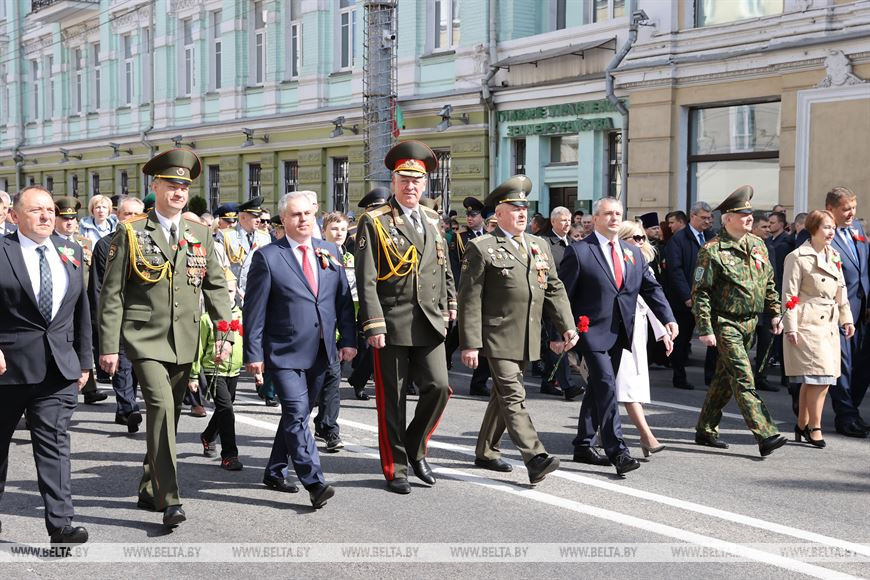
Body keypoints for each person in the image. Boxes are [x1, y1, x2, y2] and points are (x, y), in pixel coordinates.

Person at [99, 148, 234, 527]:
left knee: (169, 418)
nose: (178, 192)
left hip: (184, 339)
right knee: (159, 408)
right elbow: (112, 294)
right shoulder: (131, 232)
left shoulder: (200, 233)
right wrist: (108, 346)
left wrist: (224, 332)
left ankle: (148, 487)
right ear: (155, 186)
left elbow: (216, 286)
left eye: (184, 187)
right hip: (144, 338)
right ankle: (170, 499)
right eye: (171, 185)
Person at [459, 175, 577, 483]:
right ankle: (535, 457)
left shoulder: (539, 245)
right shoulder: (482, 247)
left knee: (502, 396)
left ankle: (486, 451)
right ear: (498, 214)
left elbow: (553, 288)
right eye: (514, 209)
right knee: (514, 395)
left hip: (527, 335)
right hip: (496, 335)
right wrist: (470, 343)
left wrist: (567, 325)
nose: (522, 214)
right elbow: (469, 299)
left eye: (525, 209)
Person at [354, 140, 456, 494]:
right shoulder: (375, 221)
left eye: (417, 180)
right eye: (404, 180)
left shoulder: (432, 219)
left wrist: (451, 302)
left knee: (439, 387)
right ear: (394, 182)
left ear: (425, 184)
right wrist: (373, 323)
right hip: (393, 321)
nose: (411, 186)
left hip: (429, 319)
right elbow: (366, 277)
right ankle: (395, 467)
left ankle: (415, 445)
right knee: (393, 400)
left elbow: (442, 265)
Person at [244, 191, 356, 509]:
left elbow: (342, 300)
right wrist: (253, 354)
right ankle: (315, 482)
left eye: (307, 213)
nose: (303, 219)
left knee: (299, 414)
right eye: (295, 214)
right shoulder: (269, 257)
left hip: (320, 349)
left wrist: (349, 339)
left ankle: (275, 470)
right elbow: (254, 311)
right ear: (283, 219)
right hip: (283, 352)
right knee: (296, 412)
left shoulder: (329, 250)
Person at [559, 196, 677, 476]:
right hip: (590, 331)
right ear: (596, 219)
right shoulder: (579, 251)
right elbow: (562, 295)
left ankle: (583, 444)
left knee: (598, 388)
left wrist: (668, 318)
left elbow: (651, 288)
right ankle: (618, 451)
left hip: (621, 331)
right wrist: (558, 331)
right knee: (607, 386)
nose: (614, 218)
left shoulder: (632, 252)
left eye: (618, 214)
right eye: (608, 214)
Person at [0, 186, 91, 545]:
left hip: (58, 368)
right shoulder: (2, 250)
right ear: (14, 216)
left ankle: (61, 525)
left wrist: (84, 361)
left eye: (50, 209)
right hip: (7, 369)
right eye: (36, 210)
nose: (46, 216)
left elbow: (81, 308)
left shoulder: (70, 250)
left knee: (55, 445)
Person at [692, 186, 788, 457]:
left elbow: (769, 283)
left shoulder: (758, 245)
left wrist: (775, 312)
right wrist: (705, 328)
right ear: (728, 219)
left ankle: (705, 428)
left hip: (750, 323)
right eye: (743, 215)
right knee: (744, 377)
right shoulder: (711, 250)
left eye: (750, 214)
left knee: (725, 379)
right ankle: (765, 433)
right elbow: (701, 292)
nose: (749, 218)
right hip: (725, 323)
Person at [795, 187, 869, 437]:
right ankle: (845, 417)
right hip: (832, 311)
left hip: (860, 309)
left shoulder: (857, 229)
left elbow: (864, 267)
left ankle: (851, 411)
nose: (851, 214)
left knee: (861, 366)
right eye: (846, 209)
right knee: (842, 366)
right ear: (830, 209)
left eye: (853, 208)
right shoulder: (815, 233)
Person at [782, 210, 854, 448]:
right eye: (826, 227)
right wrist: (791, 327)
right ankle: (815, 427)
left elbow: (841, 291)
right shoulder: (797, 257)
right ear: (813, 229)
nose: (831, 232)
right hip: (808, 324)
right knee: (820, 378)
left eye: (833, 227)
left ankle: (802, 424)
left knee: (815, 378)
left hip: (829, 324)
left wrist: (847, 320)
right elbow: (789, 295)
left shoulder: (834, 255)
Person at [615, 221, 673, 457]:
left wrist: (664, 331)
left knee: (620, 385)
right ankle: (646, 435)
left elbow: (652, 299)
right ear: (623, 239)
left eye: (642, 238)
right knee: (627, 384)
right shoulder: (613, 261)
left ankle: (596, 432)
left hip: (638, 330)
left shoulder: (644, 264)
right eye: (635, 238)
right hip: (617, 331)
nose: (640, 242)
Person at [89, 196, 145, 433]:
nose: (131, 218)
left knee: (137, 366)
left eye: (136, 214)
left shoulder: (150, 244)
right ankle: (128, 408)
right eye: (126, 214)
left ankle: (124, 409)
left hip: (143, 318)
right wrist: (100, 321)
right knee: (122, 364)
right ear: (118, 216)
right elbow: (98, 287)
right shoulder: (105, 245)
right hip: (118, 315)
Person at [53, 197, 108, 406]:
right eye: (64, 218)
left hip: (83, 298)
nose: (69, 222)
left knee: (84, 341)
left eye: (73, 218)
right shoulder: (49, 243)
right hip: (62, 302)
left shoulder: (84, 243)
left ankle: (90, 388)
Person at [190, 269, 245, 470]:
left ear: (236, 291)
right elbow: (198, 348)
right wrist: (193, 375)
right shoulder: (207, 319)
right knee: (227, 411)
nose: (226, 296)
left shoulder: (242, 316)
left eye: (230, 291)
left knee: (224, 409)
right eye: (222, 291)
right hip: (214, 370)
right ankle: (229, 455)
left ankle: (208, 435)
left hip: (234, 370)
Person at [314, 211, 356, 449]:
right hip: (319, 328)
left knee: (333, 378)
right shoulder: (317, 254)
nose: (339, 233)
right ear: (323, 231)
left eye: (343, 229)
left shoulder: (349, 256)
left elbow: (347, 299)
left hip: (340, 327)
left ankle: (329, 427)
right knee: (316, 382)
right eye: (334, 229)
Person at [663, 201, 715, 390]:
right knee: (682, 340)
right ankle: (679, 376)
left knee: (712, 338)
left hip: (708, 299)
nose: (707, 221)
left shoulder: (712, 237)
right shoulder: (678, 240)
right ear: (692, 217)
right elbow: (675, 271)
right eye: (704, 218)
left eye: (710, 218)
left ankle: (711, 378)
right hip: (684, 301)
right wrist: (687, 296)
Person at [346, 187, 391, 401]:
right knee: (368, 347)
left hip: (390, 297)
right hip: (368, 296)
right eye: (376, 209)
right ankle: (359, 380)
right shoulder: (357, 234)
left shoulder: (393, 230)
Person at [446, 196, 492, 396]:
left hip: (487, 294)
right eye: (468, 215)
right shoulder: (460, 238)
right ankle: (442, 362)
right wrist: (457, 290)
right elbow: (455, 266)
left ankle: (479, 382)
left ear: (482, 217)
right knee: (458, 334)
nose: (470, 218)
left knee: (485, 338)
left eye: (474, 215)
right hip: (467, 291)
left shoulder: (491, 236)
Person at [541, 206, 584, 400]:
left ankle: (548, 381)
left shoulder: (572, 243)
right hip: (552, 299)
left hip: (570, 297)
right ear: (553, 222)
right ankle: (567, 386)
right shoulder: (545, 242)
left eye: (569, 220)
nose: (567, 224)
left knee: (558, 339)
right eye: (563, 220)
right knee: (557, 340)